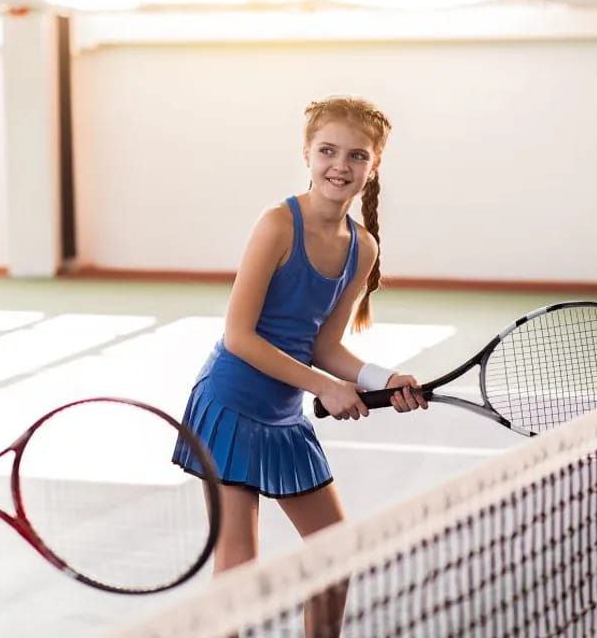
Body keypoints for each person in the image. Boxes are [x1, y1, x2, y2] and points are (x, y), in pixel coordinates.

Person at [172, 96, 428, 635]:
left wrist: (384, 380)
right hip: (230, 404)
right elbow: (239, 337)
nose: (341, 165)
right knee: (239, 571)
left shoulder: (363, 247)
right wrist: (326, 389)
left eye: (357, 156)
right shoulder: (276, 225)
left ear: (373, 166)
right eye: (328, 151)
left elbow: (325, 346)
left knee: (336, 556)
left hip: (285, 414)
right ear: (306, 155)